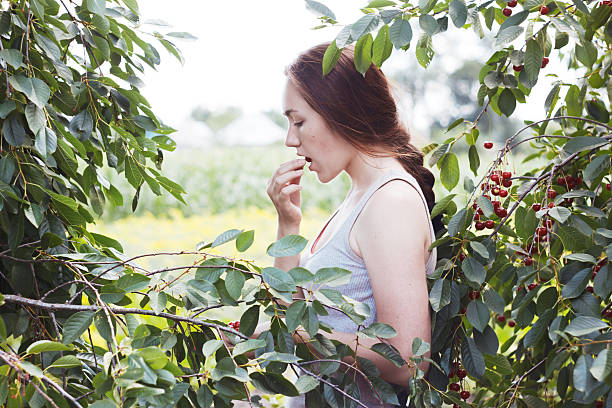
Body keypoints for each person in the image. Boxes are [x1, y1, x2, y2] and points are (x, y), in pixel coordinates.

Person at [266, 42, 438, 407]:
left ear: (341, 111)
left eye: (298, 121)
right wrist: (288, 226)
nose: (290, 140)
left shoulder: (390, 202)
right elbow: (290, 313)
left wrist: (293, 337)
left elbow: (408, 358)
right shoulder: (360, 196)